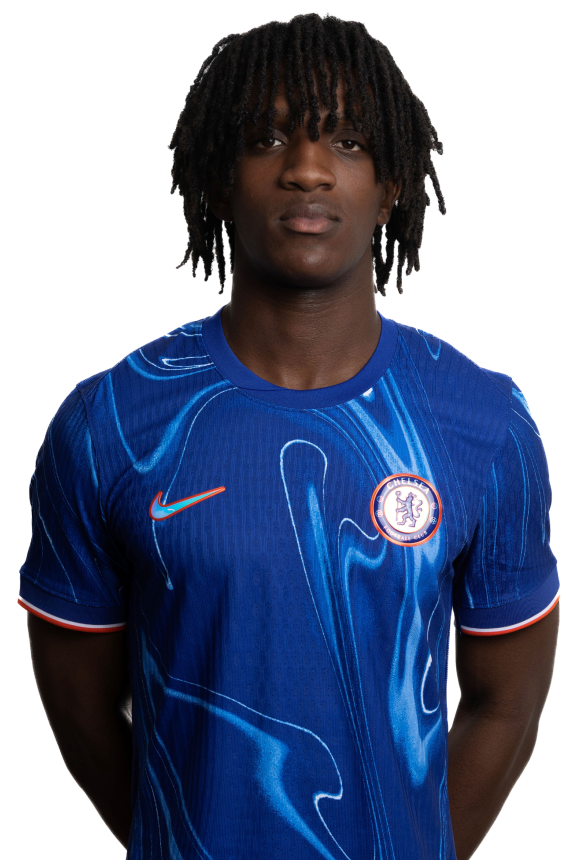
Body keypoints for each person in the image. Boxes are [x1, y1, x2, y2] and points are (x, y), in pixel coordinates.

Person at [19, 12, 560, 860]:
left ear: (390, 186)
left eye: (347, 141)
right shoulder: (109, 422)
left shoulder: (483, 420)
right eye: (266, 138)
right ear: (216, 181)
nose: (306, 168)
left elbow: (506, 704)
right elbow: (81, 708)